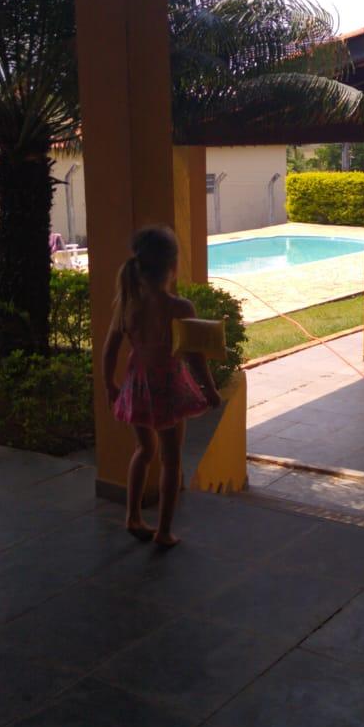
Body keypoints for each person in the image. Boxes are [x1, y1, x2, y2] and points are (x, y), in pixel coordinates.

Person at [102, 225, 220, 547]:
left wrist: (110, 385)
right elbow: (194, 356)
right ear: (172, 266)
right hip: (168, 388)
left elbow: (109, 349)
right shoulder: (180, 308)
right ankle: (164, 531)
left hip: (137, 385)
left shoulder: (129, 303)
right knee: (171, 459)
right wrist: (210, 389)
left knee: (144, 450)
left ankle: (132, 517)